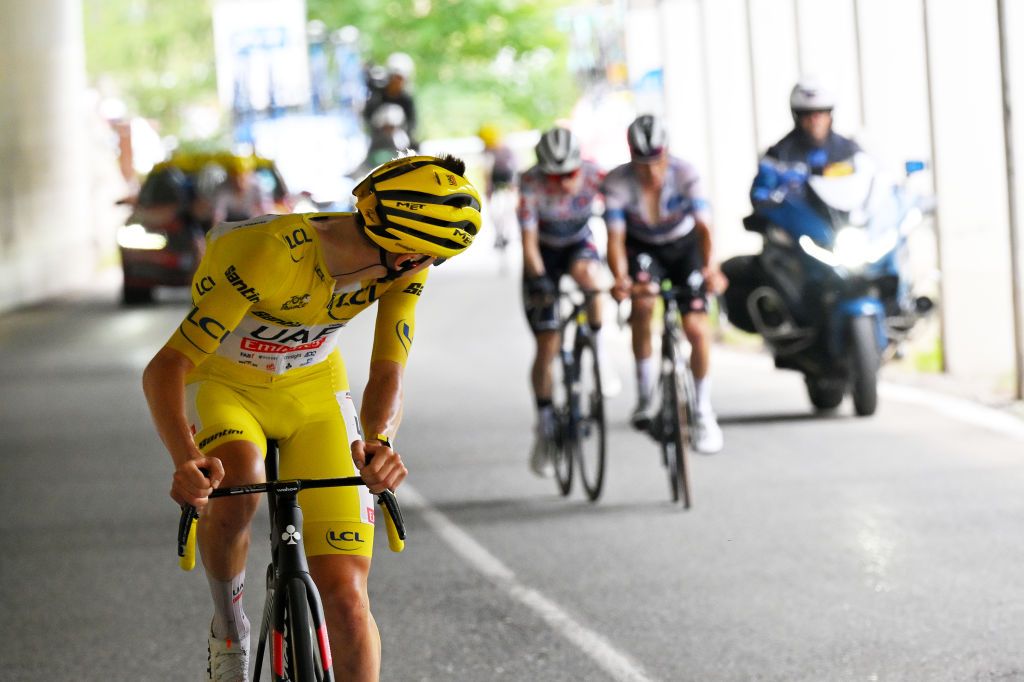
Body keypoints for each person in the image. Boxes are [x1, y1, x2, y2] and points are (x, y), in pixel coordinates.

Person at [142, 154, 481, 681]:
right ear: (404, 250)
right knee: (243, 481)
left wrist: (379, 441)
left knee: (346, 598)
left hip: (315, 389)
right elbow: (167, 366)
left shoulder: (401, 268)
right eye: (430, 257)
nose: (430, 267)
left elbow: (388, 369)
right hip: (229, 386)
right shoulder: (271, 256)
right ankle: (229, 628)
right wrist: (185, 459)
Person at [603, 114, 726, 454]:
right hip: (643, 248)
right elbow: (615, 239)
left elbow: (705, 229)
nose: (651, 173)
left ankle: (702, 411)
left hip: (685, 246)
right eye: (641, 165)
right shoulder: (616, 183)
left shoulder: (687, 174)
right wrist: (620, 279)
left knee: (698, 329)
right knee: (642, 305)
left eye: (657, 162)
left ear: (667, 154)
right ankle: (644, 397)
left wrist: (711, 268)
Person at [518, 127, 606, 476]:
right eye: (553, 177)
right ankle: (543, 425)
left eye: (568, 174)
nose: (562, 183)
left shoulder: (596, 174)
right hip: (543, 255)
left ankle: (597, 349)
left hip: (577, 244)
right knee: (547, 345)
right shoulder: (529, 183)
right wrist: (538, 279)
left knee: (590, 279)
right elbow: (527, 242)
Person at [750, 77, 861, 201]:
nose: (814, 120)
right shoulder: (778, 155)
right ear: (797, 117)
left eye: (820, 112)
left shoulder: (849, 150)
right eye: (806, 114)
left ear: (829, 115)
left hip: (841, 218)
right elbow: (760, 194)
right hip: (797, 219)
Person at [477, 123, 519, 250]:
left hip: (507, 181)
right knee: (494, 212)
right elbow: (487, 173)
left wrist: (514, 187)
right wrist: (488, 190)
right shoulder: (488, 152)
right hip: (495, 182)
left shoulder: (506, 150)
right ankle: (499, 235)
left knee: (508, 209)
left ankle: (506, 234)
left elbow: (514, 169)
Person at [363, 52, 418, 146]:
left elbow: (412, 124)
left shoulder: (406, 100)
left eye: (400, 78)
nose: (397, 82)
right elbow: (367, 118)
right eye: (395, 77)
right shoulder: (378, 96)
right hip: (377, 143)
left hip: (399, 145)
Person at [210, 154, 274, 226]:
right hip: (229, 221)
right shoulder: (222, 189)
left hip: (252, 219)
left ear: (250, 174)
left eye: (243, 177)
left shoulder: (258, 186)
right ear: (230, 177)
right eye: (235, 176)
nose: (239, 182)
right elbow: (217, 217)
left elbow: (266, 212)